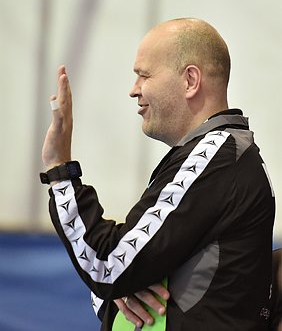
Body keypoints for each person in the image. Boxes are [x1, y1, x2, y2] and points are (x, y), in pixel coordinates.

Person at [41, 18, 276, 330]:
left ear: (191, 80)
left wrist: (60, 171)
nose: (133, 90)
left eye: (143, 75)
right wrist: (123, 286)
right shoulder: (218, 156)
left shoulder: (215, 158)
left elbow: (107, 263)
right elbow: (123, 270)